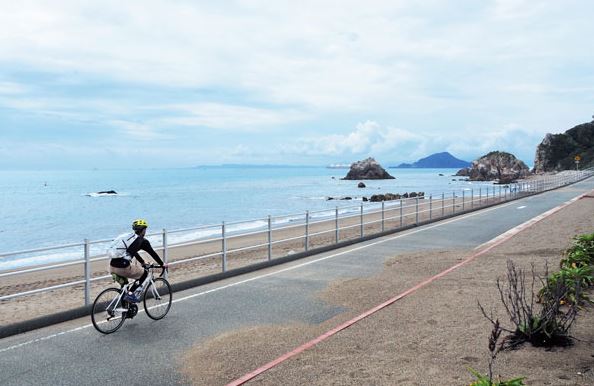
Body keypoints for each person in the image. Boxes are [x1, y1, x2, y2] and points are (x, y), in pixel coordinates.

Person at [108, 219, 167, 303]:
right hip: (123, 268)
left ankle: (125, 311)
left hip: (112, 267)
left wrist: (142, 262)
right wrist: (162, 264)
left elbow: (133, 251)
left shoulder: (130, 239)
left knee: (125, 288)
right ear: (143, 230)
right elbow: (152, 253)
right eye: (145, 229)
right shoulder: (143, 241)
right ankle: (131, 294)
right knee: (144, 273)